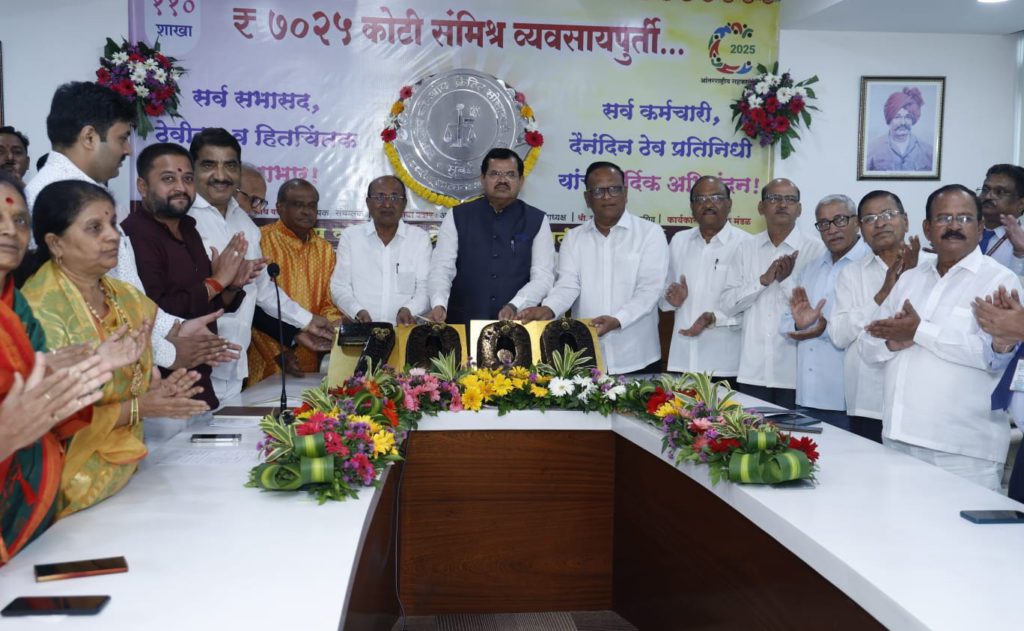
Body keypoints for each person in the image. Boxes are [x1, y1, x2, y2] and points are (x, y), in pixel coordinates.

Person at [22, 179, 208, 518]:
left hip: (125, 476)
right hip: (63, 490)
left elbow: (132, 383)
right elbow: (51, 417)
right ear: (55, 243)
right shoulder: (39, 310)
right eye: (95, 228)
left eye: (112, 224)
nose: (113, 236)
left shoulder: (124, 296)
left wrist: (157, 392)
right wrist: (140, 407)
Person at [23, 81, 236, 373]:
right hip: (85, 370)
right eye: (122, 137)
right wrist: (170, 351)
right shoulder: (56, 198)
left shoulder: (81, 192)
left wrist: (175, 327)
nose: (128, 150)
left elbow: (124, 292)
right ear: (89, 137)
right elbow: (95, 307)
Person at [861, 185, 1022, 490]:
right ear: (927, 228)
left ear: (980, 227)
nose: (953, 226)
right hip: (898, 438)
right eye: (944, 218)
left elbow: (994, 358)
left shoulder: (1000, 281)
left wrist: (919, 332)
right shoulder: (909, 279)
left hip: (963, 451)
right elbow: (867, 345)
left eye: (964, 218)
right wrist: (893, 342)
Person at [0, 173, 118, 564]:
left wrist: (81, 373)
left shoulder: (17, 308)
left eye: (19, 220)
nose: (10, 230)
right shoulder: (39, 299)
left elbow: (44, 406)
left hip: (26, 501)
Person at [187, 129, 334, 399]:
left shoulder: (245, 225)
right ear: (192, 168)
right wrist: (220, 282)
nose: (221, 175)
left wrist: (308, 321)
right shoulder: (182, 218)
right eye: (209, 165)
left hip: (233, 365)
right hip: (188, 366)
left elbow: (263, 290)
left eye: (230, 166)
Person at [122, 143, 253, 413]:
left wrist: (231, 286)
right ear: (142, 186)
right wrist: (216, 282)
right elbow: (155, 311)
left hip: (201, 383)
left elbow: (206, 306)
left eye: (188, 179)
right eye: (168, 179)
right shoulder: (134, 235)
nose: (181, 187)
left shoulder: (189, 229)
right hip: (161, 389)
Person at [519, 161, 667, 374]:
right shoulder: (574, 238)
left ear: (625, 193)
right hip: (586, 355)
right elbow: (568, 285)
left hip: (637, 356)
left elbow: (650, 290)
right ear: (587, 198)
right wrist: (548, 309)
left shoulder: (650, 233)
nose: (607, 197)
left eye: (614, 189)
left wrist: (618, 320)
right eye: (598, 191)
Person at [829, 191, 928, 443]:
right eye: (870, 218)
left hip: (923, 400)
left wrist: (911, 278)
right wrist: (882, 294)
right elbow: (838, 335)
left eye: (888, 214)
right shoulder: (851, 274)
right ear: (861, 229)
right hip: (869, 401)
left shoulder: (934, 265)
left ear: (906, 220)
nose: (880, 223)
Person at [720, 179, 824, 408]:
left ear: (800, 209)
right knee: (750, 430)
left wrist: (786, 282)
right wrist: (763, 281)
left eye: (790, 199)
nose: (782, 204)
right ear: (761, 207)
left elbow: (817, 309)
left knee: (793, 432)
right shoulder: (745, 248)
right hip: (753, 370)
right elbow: (728, 304)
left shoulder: (816, 249)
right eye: (774, 198)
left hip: (796, 372)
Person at [427, 147, 554, 328]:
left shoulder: (537, 220)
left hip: (516, 325)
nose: (502, 180)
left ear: (521, 181)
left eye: (510, 175)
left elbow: (543, 277)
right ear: (482, 179)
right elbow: (442, 268)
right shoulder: (457, 216)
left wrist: (516, 304)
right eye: (494, 174)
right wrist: (439, 303)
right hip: (463, 323)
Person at [782, 195, 869, 430]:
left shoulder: (870, 265)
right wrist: (801, 326)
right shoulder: (811, 269)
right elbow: (786, 322)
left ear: (856, 222)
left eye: (840, 220)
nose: (831, 229)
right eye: (823, 223)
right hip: (807, 394)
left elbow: (871, 324)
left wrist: (823, 329)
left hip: (850, 398)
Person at [248, 178, 342, 382]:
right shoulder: (260, 240)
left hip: (312, 352)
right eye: (298, 205)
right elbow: (251, 302)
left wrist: (334, 327)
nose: (306, 211)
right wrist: (278, 351)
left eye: (312, 205)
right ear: (280, 208)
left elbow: (328, 302)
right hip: (265, 357)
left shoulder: (324, 249)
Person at [662, 175, 751, 378]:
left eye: (716, 198)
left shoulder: (746, 244)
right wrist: (671, 299)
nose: (708, 204)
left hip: (725, 363)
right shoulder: (679, 241)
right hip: (682, 360)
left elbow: (751, 305)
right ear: (692, 207)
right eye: (700, 199)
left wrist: (715, 319)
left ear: (729, 204)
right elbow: (663, 296)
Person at [331, 175, 431, 326]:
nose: (387, 204)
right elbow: (340, 286)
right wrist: (357, 311)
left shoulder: (419, 239)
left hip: (405, 331)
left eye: (395, 197)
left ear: (404, 203)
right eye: (379, 197)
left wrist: (409, 310)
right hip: (362, 331)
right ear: (368, 203)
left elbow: (425, 287)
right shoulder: (351, 237)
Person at [865, 87, 934, 172]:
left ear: (913, 119)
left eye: (908, 117)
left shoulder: (928, 151)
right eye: (897, 117)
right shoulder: (872, 149)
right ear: (889, 119)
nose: (903, 122)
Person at [974, 164, 1024, 274]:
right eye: (985, 189)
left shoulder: (1022, 241)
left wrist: (1020, 253)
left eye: (1000, 192)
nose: (988, 196)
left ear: (1021, 204)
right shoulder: (968, 230)